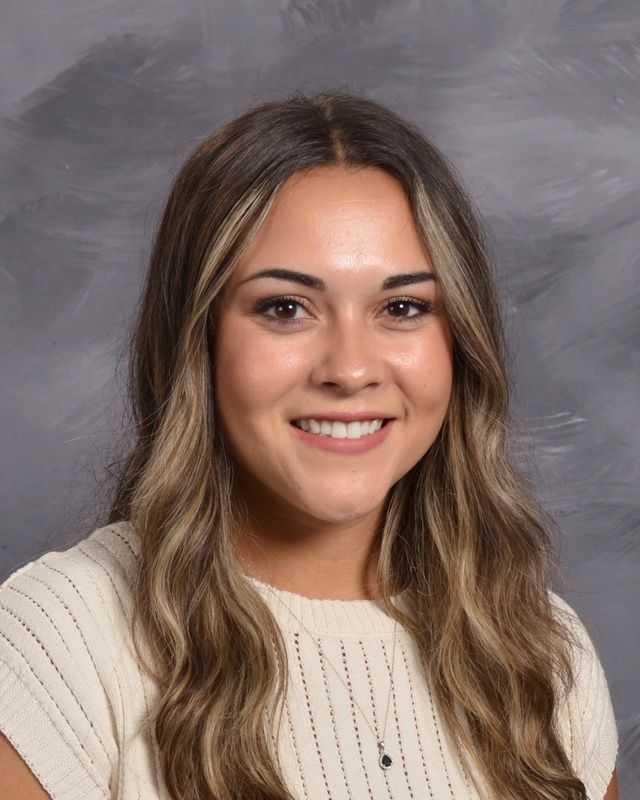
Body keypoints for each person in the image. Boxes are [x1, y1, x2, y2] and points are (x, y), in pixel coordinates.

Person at [0, 90, 618, 800]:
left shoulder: (540, 651)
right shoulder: (58, 643)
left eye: (403, 308)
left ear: (460, 343)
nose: (351, 369)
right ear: (198, 341)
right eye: (286, 308)